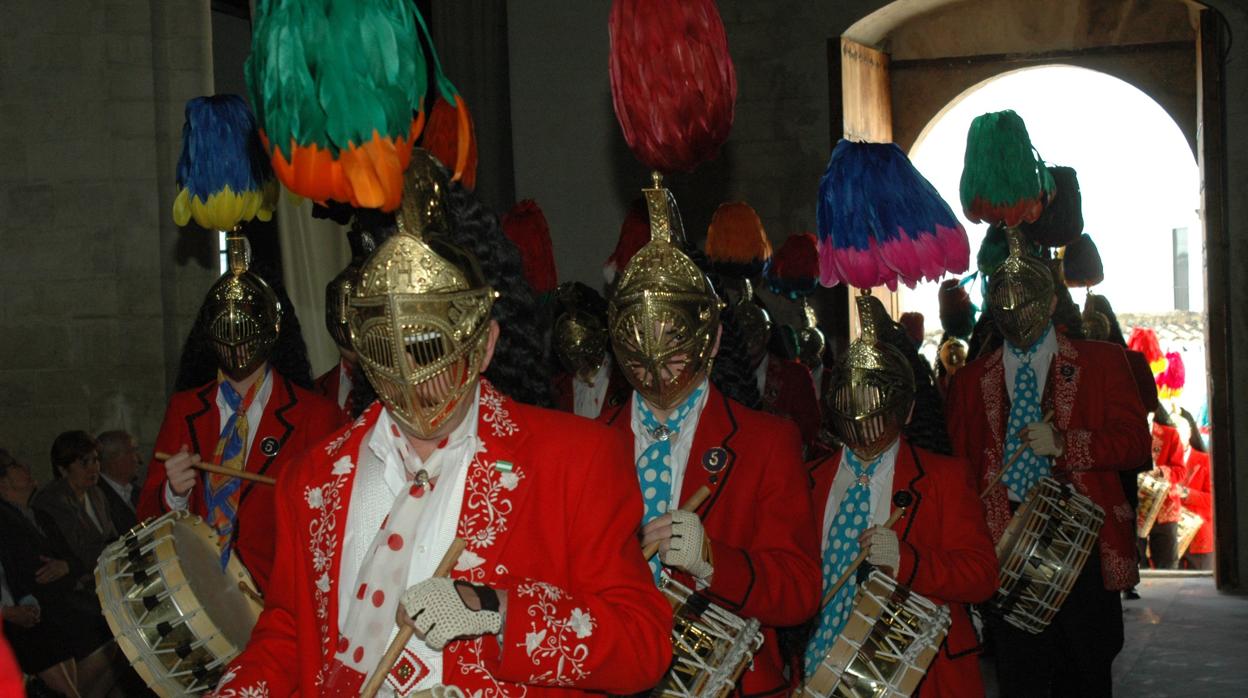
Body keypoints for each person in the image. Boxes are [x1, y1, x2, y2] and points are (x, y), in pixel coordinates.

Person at [210, 152, 670, 696]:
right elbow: (289, 632)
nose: (412, 380)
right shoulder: (310, 479)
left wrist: (498, 608)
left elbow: (642, 644)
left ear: (485, 343)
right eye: (389, 352)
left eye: (429, 351)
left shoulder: (575, 460)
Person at [600, 178, 820, 696]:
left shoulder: (766, 442)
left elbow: (800, 590)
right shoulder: (589, 441)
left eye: (674, 342)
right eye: (641, 342)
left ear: (715, 338)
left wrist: (713, 561)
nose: (657, 363)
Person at [946, 229, 1149, 697]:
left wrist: (1066, 444)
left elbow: (1136, 445)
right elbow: (960, 471)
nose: (1016, 312)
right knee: (1021, 678)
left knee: (1087, 673)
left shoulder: (1103, 362)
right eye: (1005, 303)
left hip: (1083, 539)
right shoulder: (972, 379)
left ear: (1053, 302)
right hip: (1007, 542)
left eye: (1027, 301)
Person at [805, 293, 997, 695]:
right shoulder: (809, 479)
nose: (864, 422)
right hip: (821, 669)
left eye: (875, 406)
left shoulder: (943, 477)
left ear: (907, 411)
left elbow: (981, 576)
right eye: (853, 404)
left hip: (919, 674)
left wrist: (906, 560)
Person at [137, 233, 342, 594]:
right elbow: (147, 519)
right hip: (201, 595)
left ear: (273, 331)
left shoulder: (317, 416)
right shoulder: (185, 409)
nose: (237, 346)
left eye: (245, 333)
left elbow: (335, 526)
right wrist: (173, 493)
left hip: (280, 596)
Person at [0, 449, 116, 698]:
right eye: (16, 466)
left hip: (54, 600)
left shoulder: (40, 515)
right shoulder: (5, 518)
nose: (26, 468)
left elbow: (72, 559)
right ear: (3, 481)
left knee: (114, 626)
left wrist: (65, 566)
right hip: (40, 605)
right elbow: (20, 572)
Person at [31, 432, 118, 580]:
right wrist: (114, 551)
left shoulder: (96, 493)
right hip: (80, 581)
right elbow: (78, 552)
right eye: (84, 463)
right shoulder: (52, 500)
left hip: (107, 572)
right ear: (63, 469)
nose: (93, 468)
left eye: (95, 460)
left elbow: (112, 536)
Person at [550, 282, 630, 419]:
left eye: (585, 345)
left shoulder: (627, 380)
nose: (578, 357)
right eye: (569, 348)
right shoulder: (557, 389)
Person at [1175, 410, 1213, 569]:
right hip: (1168, 540)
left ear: (1189, 434)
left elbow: (1214, 500)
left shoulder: (1206, 461)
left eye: (1178, 434)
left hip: (1199, 539)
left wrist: (1186, 493)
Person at [95, 430, 142, 535]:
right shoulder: (97, 498)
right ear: (113, 458)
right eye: (132, 451)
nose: (139, 459)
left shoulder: (139, 493)